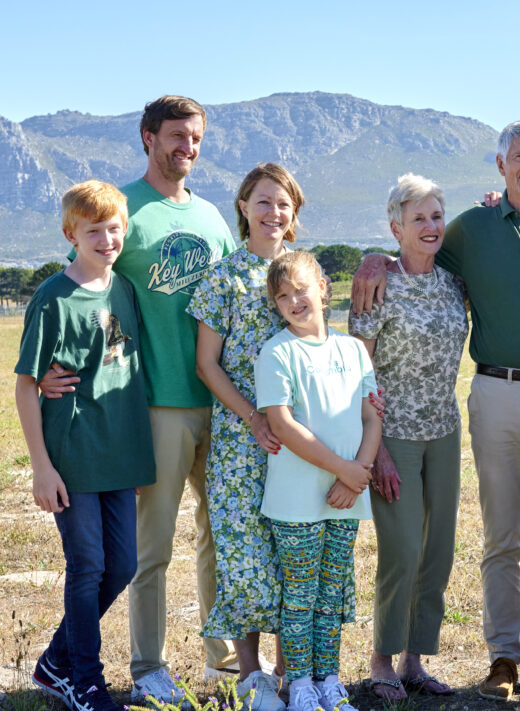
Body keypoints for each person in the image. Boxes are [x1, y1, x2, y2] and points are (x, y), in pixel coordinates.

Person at [351, 121, 520, 700]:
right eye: (519, 157)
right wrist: (372, 256)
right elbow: (414, 246)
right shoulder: (473, 227)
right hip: (495, 393)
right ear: (500, 166)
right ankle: (502, 659)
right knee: (499, 536)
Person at [39, 95, 238, 703]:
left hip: (220, 400)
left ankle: (225, 663)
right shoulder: (123, 211)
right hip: (154, 404)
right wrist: (54, 367)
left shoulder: (212, 217)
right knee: (150, 549)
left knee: (222, 538)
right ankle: (150, 666)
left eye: (195, 137)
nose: (188, 147)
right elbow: (86, 289)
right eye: (176, 135)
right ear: (148, 138)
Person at [17, 181, 155, 711]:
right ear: (70, 234)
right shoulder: (53, 297)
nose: (106, 239)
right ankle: (85, 679)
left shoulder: (125, 290)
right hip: (73, 454)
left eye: (113, 228)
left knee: (121, 566)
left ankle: (55, 661)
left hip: (119, 453)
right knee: (87, 566)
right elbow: (26, 384)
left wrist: (138, 457)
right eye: (93, 230)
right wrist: (41, 467)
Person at [188, 163, 307, 711]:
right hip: (241, 442)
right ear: (243, 207)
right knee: (245, 554)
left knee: (293, 552)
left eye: (283, 204)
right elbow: (207, 364)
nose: (273, 213)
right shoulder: (224, 277)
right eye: (263, 201)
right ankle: (251, 675)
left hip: (297, 440)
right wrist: (253, 417)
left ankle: (291, 671)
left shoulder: (302, 273)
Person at [349, 174, 469, 701]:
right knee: (400, 549)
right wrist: (373, 450)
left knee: (437, 549)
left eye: (436, 216)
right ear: (395, 227)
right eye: (418, 218)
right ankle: (381, 660)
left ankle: (414, 661)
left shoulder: (453, 282)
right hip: (391, 434)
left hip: (444, 430)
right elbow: (358, 370)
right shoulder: (376, 284)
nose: (430, 226)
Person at [256, 251, 381, 711]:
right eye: (282, 296)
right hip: (296, 500)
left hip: (346, 496)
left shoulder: (352, 349)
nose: (294, 301)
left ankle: (329, 680)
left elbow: (372, 416)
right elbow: (283, 425)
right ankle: (300, 684)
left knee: (332, 594)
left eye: (301, 289)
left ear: (323, 288)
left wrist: (357, 475)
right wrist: (342, 469)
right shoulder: (277, 352)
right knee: (300, 595)